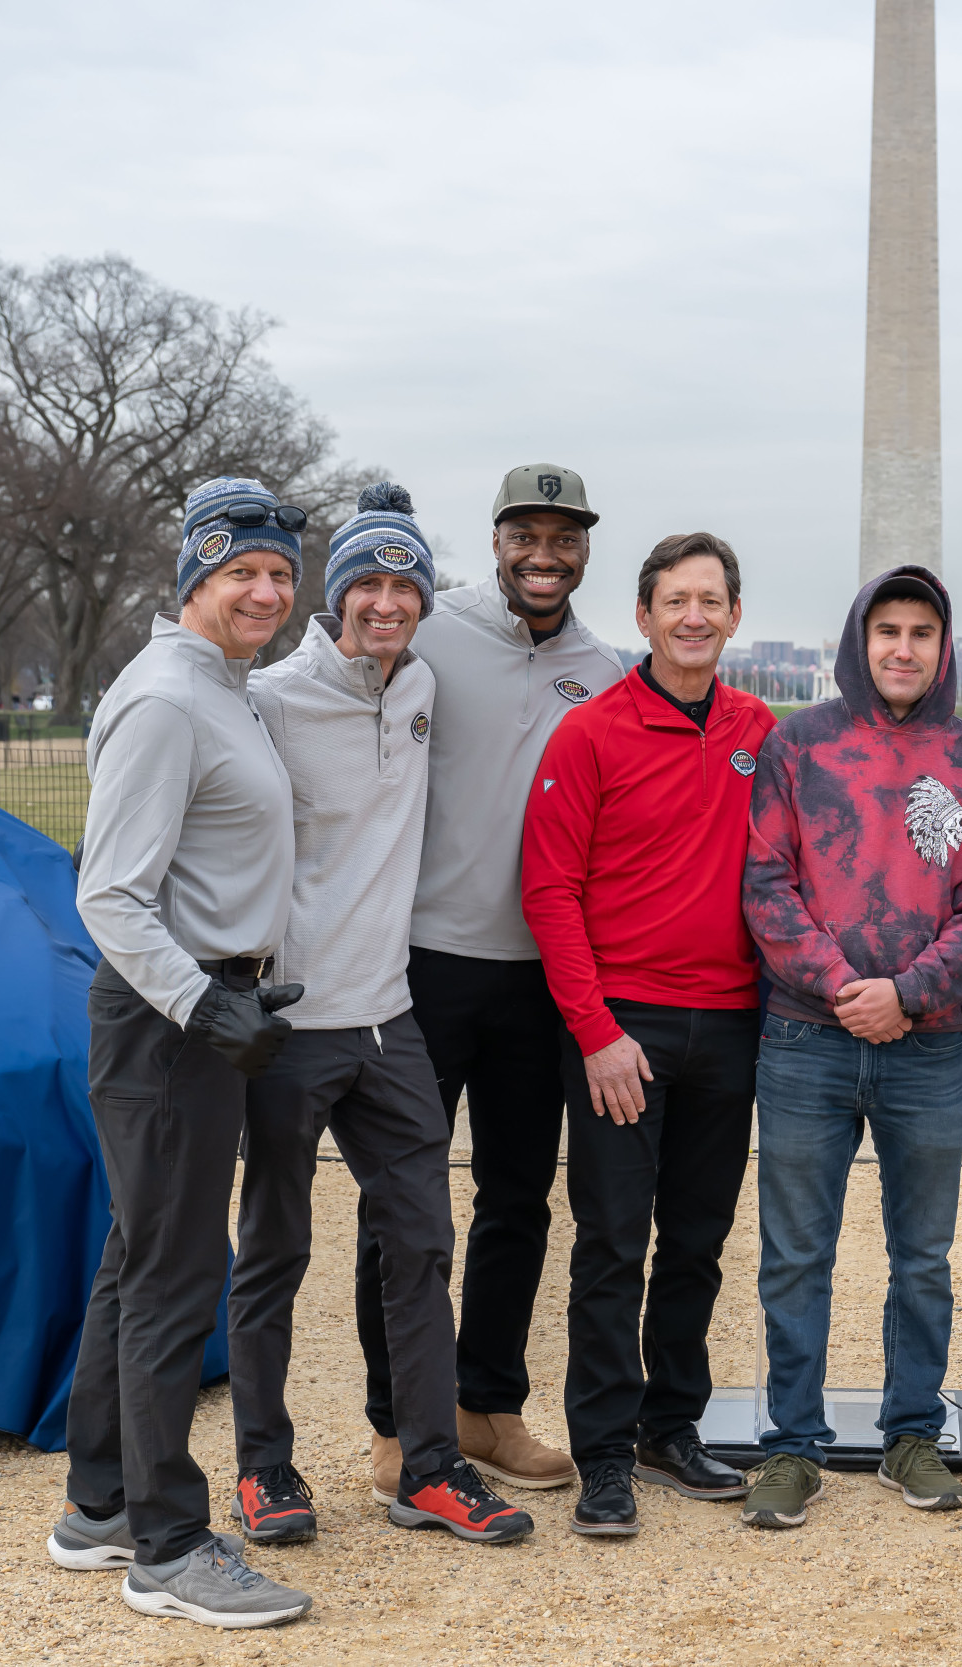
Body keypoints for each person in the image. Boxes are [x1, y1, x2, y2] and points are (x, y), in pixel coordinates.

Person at [229, 485, 534, 1549]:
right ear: (335, 593)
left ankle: (428, 1465)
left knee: (420, 1242)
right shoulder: (270, 697)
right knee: (274, 1248)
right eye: (368, 581)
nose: (388, 603)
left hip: (389, 1016)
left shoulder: (425, 686)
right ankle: (264, 1467)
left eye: (406, 585)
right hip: (291, 1020)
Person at [49, 477, 313, 1627]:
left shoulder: (223, 686)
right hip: (168, 1025)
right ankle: (166, 1543)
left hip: (203, 1010)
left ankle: (100, 1500)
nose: (265, 589)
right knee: (173, 1276)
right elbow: (108, 892)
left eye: (278, 574)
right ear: (193, 578)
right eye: (240, 570)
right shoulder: (167, 697)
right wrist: (208, 1006)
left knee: (139, 1258)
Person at [736, 565, 962, 1530]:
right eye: (886, 630)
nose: (903, 648)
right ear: (859, 639)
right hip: (804, 1036)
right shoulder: (798, 746)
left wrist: (909, 993)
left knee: (924, 1255)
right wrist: (842, 988)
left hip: (929, 1044)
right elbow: (766, 885)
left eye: (922, 633)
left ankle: (910, 1432)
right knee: (795, 1253)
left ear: (945, 648)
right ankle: (791, 1445)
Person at [364, 463, 624, 1501]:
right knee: (402, 1202)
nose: (545, 553)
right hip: (420, 963)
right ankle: (395, 1416)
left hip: (540, 977)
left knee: (518, 1199)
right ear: (498, 537)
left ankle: (485, 1403)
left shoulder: (605, 671)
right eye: (528, 532)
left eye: (565, 537)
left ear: (585, 551)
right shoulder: (431, 632)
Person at [523, 532, 778, 1537]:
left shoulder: (762, 727)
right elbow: (548, 890)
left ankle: (671, 1422)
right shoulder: (589, 732)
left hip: (730, 1023)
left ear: (732, 614)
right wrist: (593, 1030)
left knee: (699, 1243)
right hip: (619, 1028)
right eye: (675, 599)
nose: (693, 616)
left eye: (710, 599)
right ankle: (601, 1451)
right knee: (612, 1241)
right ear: (643, 616)